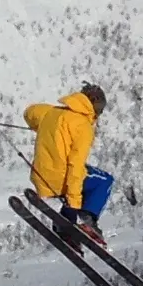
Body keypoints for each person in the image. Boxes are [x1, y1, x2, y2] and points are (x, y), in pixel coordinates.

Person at [25, 83, 115, 239]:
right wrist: (72, 206)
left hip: (40, 176)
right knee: (105, 181)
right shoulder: (83, 126)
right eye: (100, 108)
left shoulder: (51, 112)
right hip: (60, 180)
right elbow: (75, 167)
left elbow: (30, 113)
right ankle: (87, 220)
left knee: (83, 175)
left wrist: (44, 127)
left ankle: (66, 223)